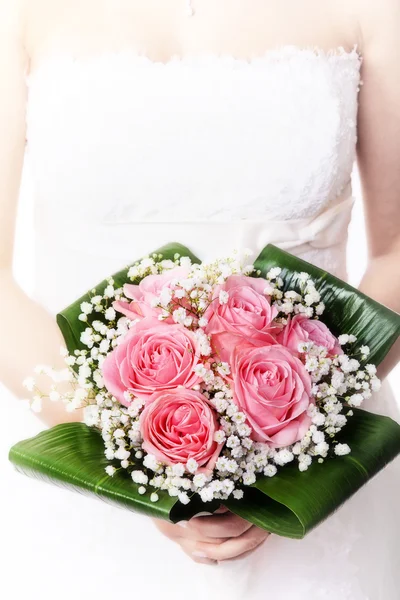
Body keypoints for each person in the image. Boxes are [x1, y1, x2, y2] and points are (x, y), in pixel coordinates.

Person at [1, 0, 399, 598]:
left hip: (314, 463)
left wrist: (280, 446)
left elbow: (396, 252)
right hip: (82, 458)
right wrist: (146, 462)